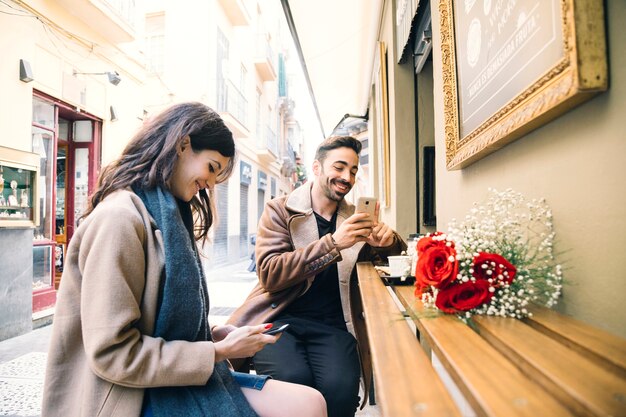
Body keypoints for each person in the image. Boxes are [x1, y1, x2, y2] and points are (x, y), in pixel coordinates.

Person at [41, 102, 326, 417]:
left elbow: (161, 322)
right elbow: (113, 353)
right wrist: (216, 352)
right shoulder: (119, 219)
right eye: (212, 167)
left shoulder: (166, 217)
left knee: (310, 403)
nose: (210, 184)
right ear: (182, 145)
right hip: (125, 396)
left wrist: (213, 334)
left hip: (165, 382)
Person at [227, 135, 407, 417]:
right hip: (278, 322)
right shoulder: (280, 210)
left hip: (335, 326)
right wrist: (333, 243)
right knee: (292, 385)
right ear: (316, 168)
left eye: (354, 170)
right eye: (339, 167)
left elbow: (394, 262)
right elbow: (270, 273)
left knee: (340, 389)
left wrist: (389, 243)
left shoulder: (355, 218)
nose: (347, 177)